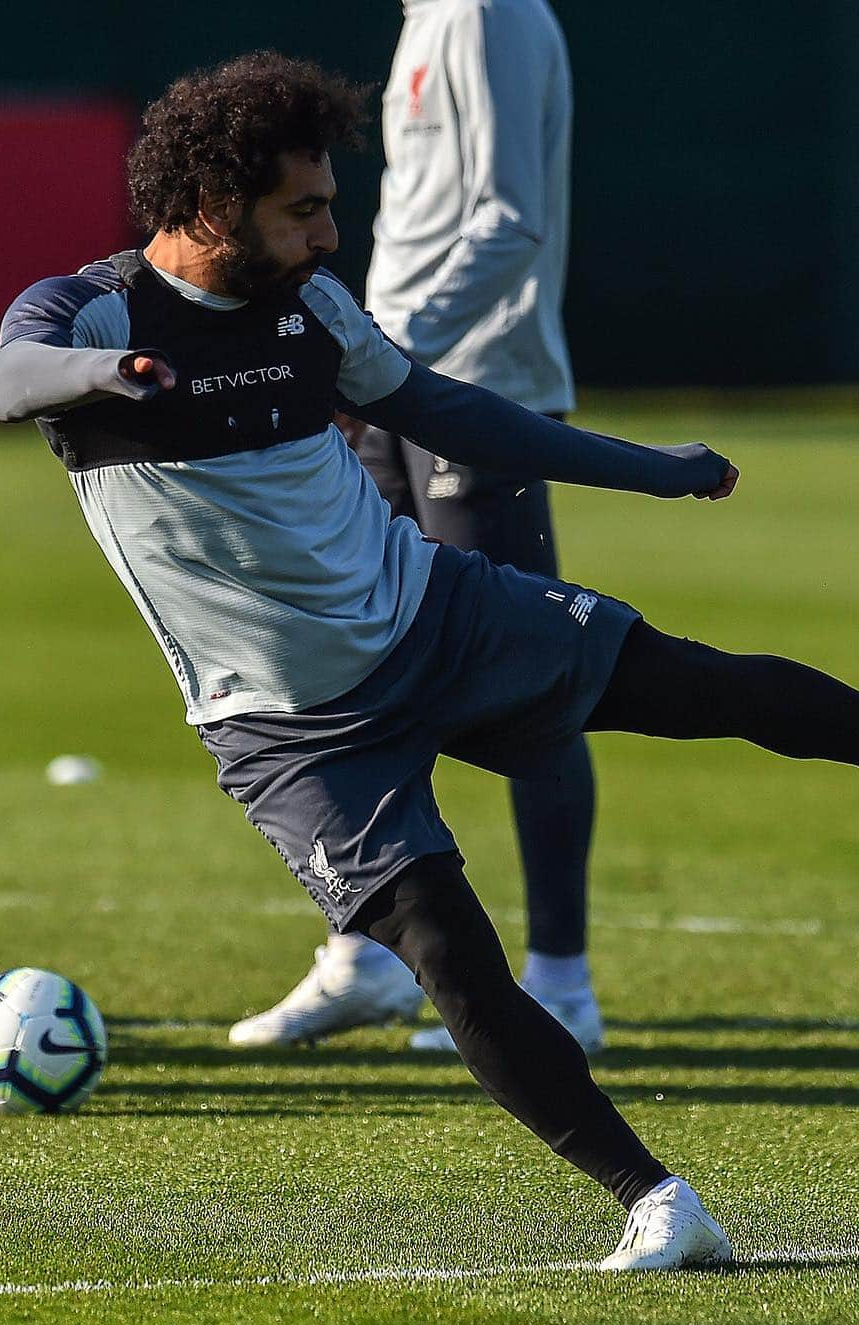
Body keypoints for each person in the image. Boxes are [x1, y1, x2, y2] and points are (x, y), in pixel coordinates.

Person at [0, 53, 859, 1271]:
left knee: (711, 685)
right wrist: (100, 375)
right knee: (450, 958)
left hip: (438, 616)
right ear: (209, 204)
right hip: (290, 728)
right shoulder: (93, 313)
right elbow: (8, 375)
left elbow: (446, 410)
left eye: (330, 207)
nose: (330, 234)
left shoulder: (314, 312)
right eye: (305, 210)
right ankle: (658, 1203)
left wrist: (649, 468)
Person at [230, 0, 602, 1056]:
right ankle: (368, 958)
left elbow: (509, 218)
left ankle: (562, 983)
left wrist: (387, 358)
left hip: (466, 384)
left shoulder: (488, 13)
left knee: (540, 680)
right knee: (361, 662)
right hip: (400, 384)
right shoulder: (432, 14)